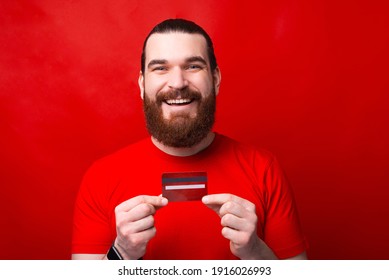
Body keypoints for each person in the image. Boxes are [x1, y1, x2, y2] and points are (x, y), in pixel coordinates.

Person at [71, 18, 307, 260]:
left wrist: (256, 253)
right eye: (160, 68)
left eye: (193, 66)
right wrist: (121, 253)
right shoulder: (101, 178)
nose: (178, 83)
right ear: (142, 84)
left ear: (215, 79)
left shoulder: (264, 169)